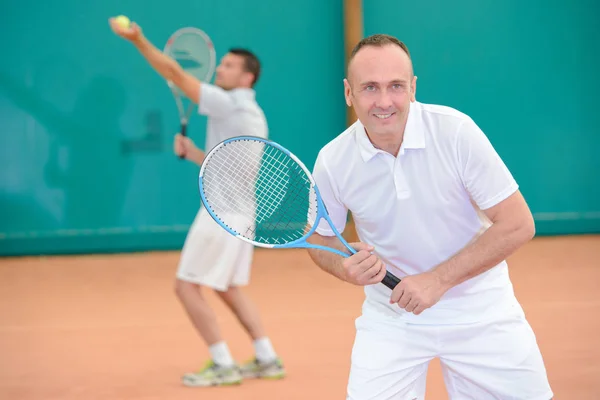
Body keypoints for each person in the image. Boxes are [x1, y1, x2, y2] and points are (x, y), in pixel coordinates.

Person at [306, 34, 553, 400]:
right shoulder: (333, 159)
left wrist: (438, 280)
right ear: (348, 92)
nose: (385, 101)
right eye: (370, 87)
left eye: (396, 86)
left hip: (481, 309)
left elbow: (518, 223)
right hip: (391, 318)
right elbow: (318, 239)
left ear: (413, 87)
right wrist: (343, 267)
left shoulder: (455, 132)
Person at [108, 18, 285, 387]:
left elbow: (172, 71)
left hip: (221, 215)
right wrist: (195, 155)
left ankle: (222, 363)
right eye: (221, 63)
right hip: (242, 215)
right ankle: (267, 356)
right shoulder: (250, 113)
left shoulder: (228, 104)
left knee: (186, 286)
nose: (220, 67)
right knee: (226, 287)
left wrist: (138, 39)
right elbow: (233, 163)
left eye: (229, 65)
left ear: (247, 78)